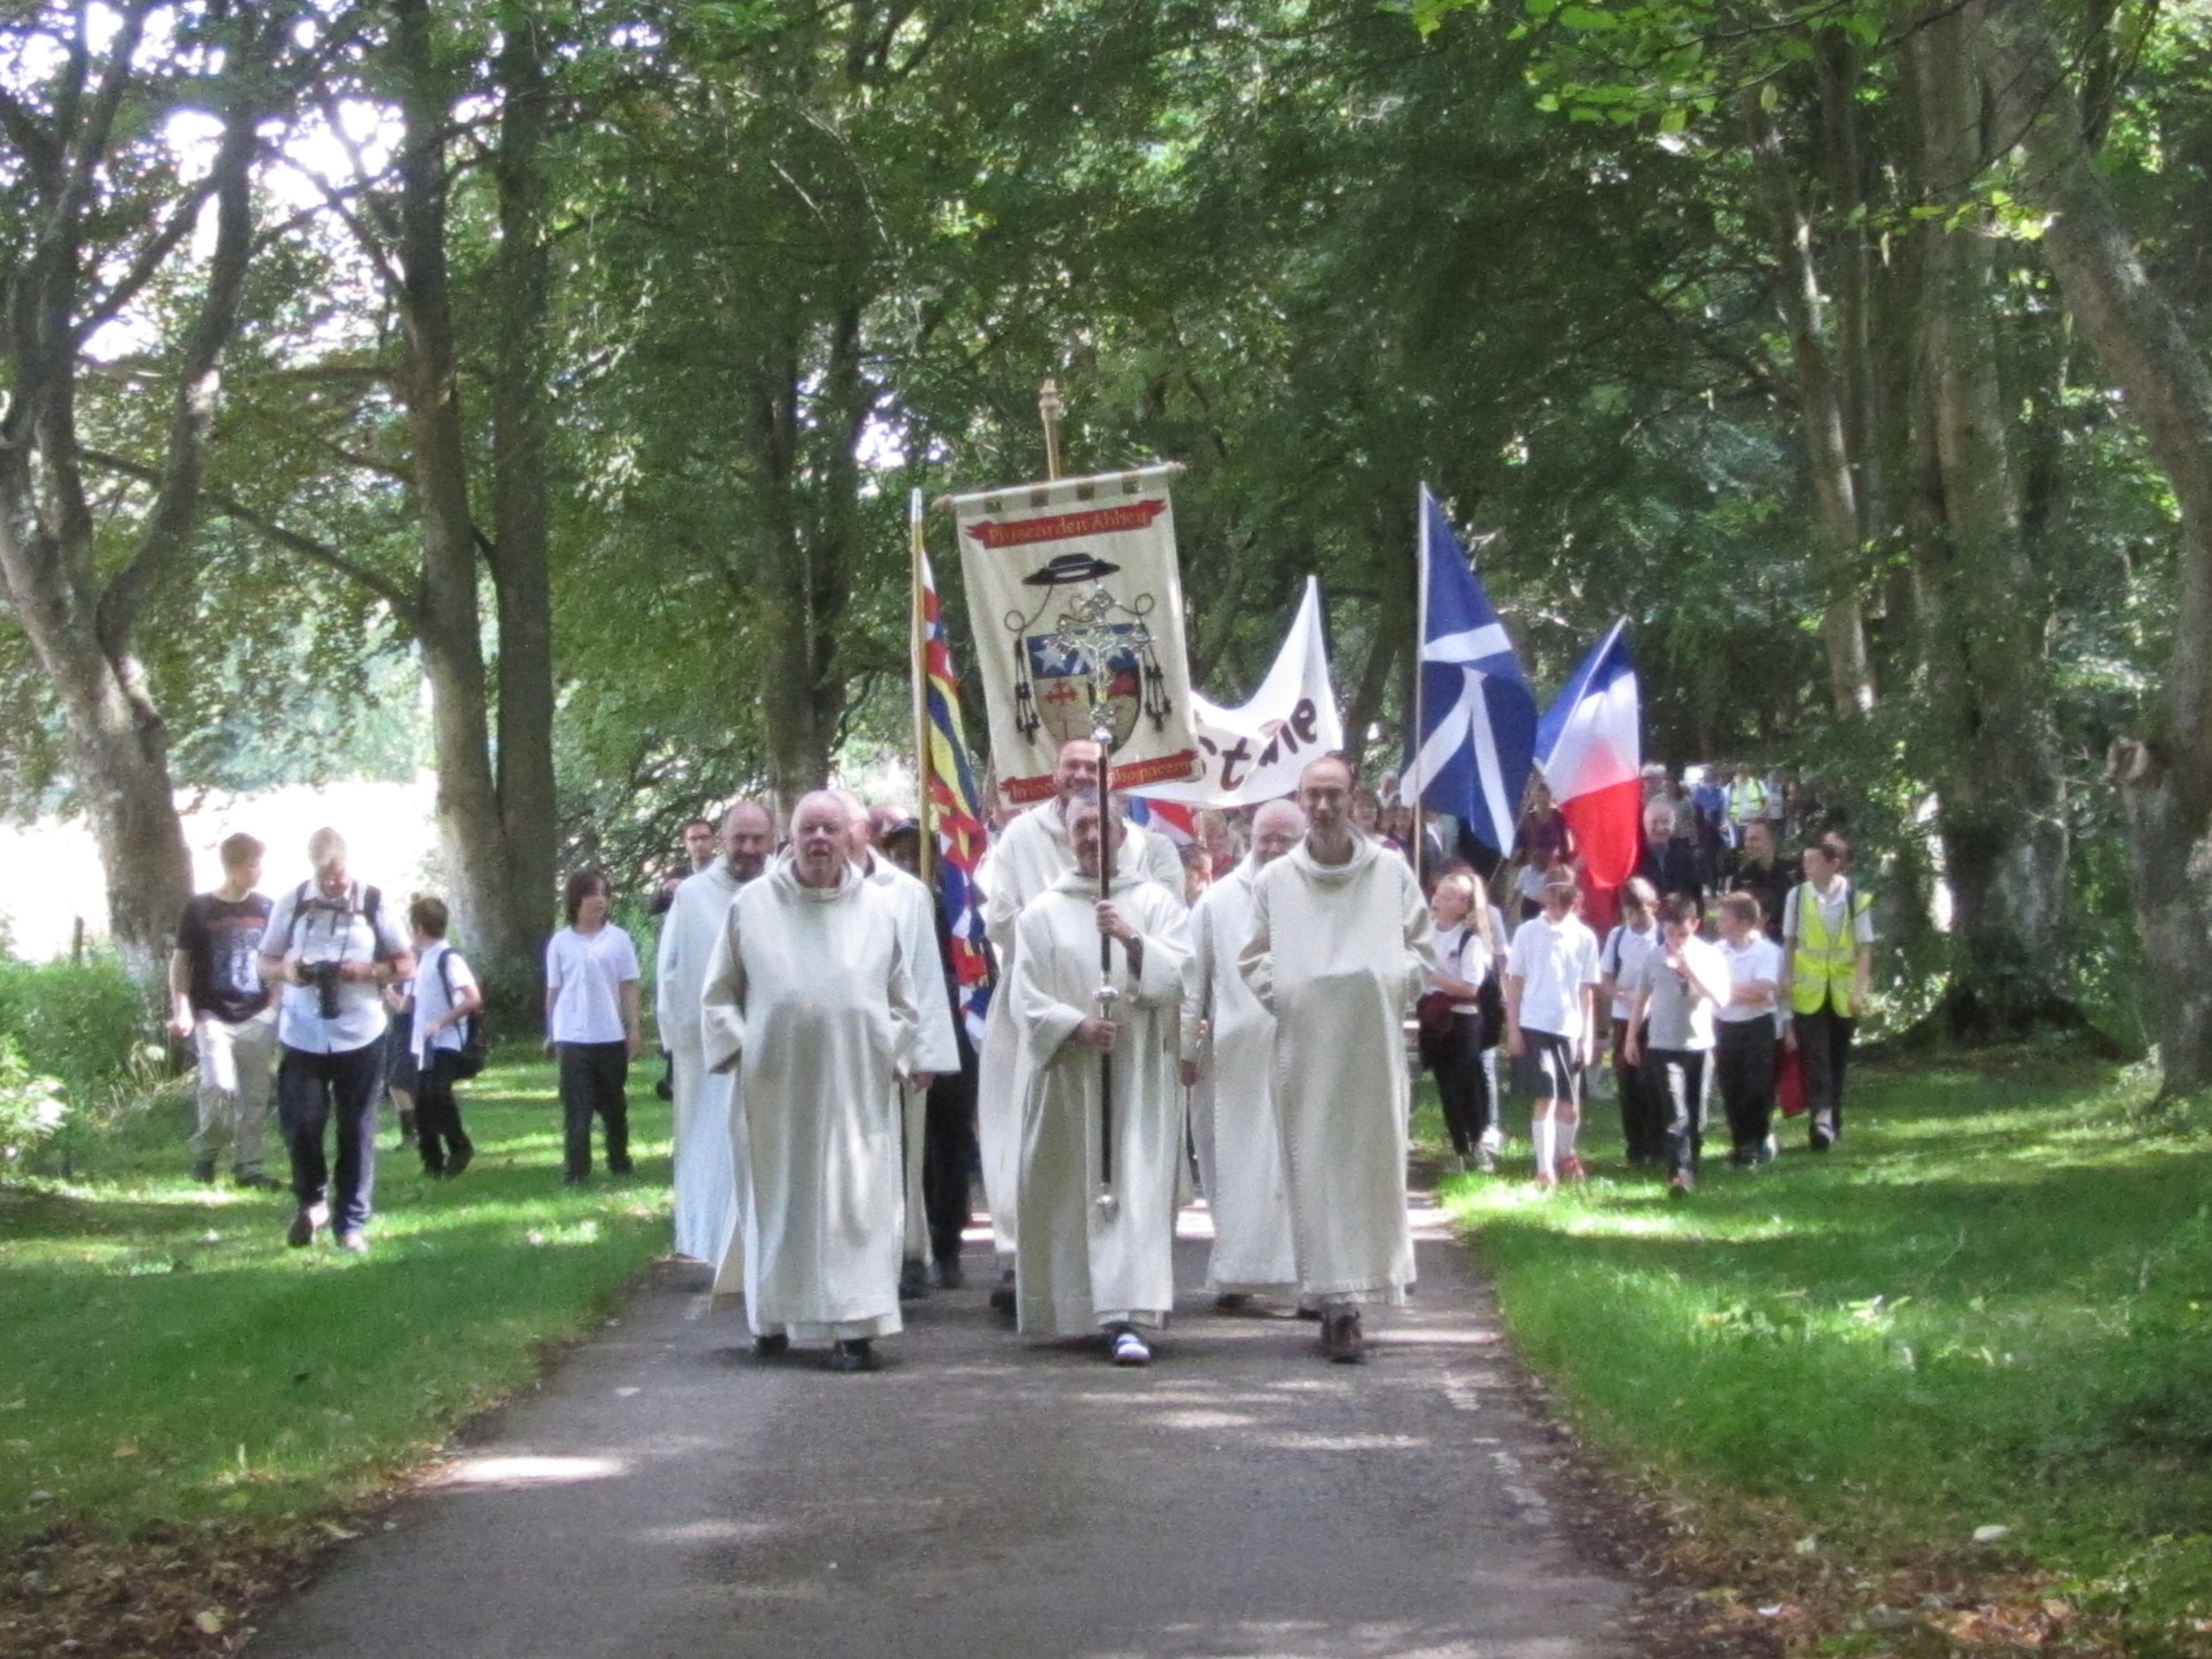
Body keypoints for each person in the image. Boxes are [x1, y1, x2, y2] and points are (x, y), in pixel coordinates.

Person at [700, 792, 925, 1372]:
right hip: (776, 1086)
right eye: (808, 829)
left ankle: (854, 1329)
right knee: (780, 1204)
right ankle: (772, 1319)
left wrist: (888, 1052)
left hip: (856, 1089)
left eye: (830, 827)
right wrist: (747, 1048)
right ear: (790, 838)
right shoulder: (752, 906)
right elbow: (718, 995)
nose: (819, 838)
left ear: (849, 836)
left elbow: (905, 1001)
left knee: (855, 1207)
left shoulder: (878, 909)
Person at [1240, 755, 1435, 1363]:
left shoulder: (1391, 871)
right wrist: (1297, 994)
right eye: (1312, 796)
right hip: (1307, 1050)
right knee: (1317, 1168)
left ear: (1354, 799)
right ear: (1299, 800)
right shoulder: (1275, 880)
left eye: (1334, 795)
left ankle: (1360, 1295)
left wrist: (1383, 984)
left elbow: (1420, 949)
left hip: (1371, 1051)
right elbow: (1254, 958)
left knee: (1368, 1168)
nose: (1322, 807)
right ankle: (1333, 1303)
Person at [976, 737, 1183, 1310]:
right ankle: (1041, 1272)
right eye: (1070, 767)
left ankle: (1132, 1300)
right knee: (1046, 1154)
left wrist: (1130, 941)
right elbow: (1004, 923)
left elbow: (1178, 950)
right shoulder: (1024, 848)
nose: (1079, 777)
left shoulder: (1151, 856)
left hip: (1135, 1049)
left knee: (1131, 1173)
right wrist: (1069, 1011)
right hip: (1050, 1027)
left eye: (1092, 769)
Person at [1012, 791, 1193, 1363]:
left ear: (1121, 833)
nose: (1091, 836)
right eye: (1080, 826)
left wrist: (1131, 938)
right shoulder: (1041, 911)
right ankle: (1073, 1306)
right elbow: (1026, 995)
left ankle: (1128, 1314)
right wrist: (1075, 1025)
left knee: (1131, 1188)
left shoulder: (1156, 901)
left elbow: (1182, 971)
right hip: (1070, 1075)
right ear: (1069, 836)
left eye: (1101, 825)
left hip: (1136, 1075)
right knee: (1074, 1192)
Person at [257, 828, 415, 1252]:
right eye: (325, 877)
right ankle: (311, 1202)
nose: (333, 884)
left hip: (361, 1033)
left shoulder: (374, 901)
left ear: (348, 864)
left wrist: (366, 971)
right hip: (303, 1031)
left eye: (339, 875)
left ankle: (351, 1224)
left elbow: (406, 963)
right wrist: (289, 971)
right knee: (301, 1123)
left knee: (356, 1128)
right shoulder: (291, 903)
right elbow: (264, 962)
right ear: (313, 869)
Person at [835, 791, 959, 1302]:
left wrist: (925, 1053)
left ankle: (911, 1252)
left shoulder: (907, 893)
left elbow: (925, 975)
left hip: (898, 1043)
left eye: (842, 827)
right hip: (838, 1044)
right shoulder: (808, 888)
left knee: (907, 1155)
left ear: (864, 831)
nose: (832, 838)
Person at [1182, 798, 1302, 1308]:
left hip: (1303, 1048)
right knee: (1234, 1165)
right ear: (1246, 839)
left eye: (1285, 839)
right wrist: (1188, 1045)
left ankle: (1300, 1276)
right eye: (1264, 838)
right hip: (1235, 1054)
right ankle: (1237, 1270)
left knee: (1293, 1164)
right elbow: (1194, 979)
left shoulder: (1316, 891)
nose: (1273, 847)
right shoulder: (1218, 901)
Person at [656, 802, 772, 1268]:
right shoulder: (692, 896)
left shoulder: (783, 890)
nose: (747, 849)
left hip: (772, 1043)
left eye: (757, 839)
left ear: (772, 839)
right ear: (722, 840)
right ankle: (712, 1243)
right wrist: (680, 1045)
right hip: (708, 1050)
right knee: (712, 1145)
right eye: (738, 839)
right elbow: (670, 975)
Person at [168, 833, 280, 1188]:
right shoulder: (200, 908)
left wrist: (274, 1007)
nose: (258, 872)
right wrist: (181, 1007)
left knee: (255, 1094)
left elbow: (278, 959)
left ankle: (249, 1167)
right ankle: (206, 1151)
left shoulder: (267, 908)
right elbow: (180, 961)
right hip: (211, 1013)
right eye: (252, 865)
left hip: (258, 1013)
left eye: (259, 864)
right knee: (219, 1085)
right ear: (233, 867)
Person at [1622, 895, 1728, 1195]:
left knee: (1697, 1116)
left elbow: (1721, 999)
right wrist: (1631, 1037)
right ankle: (1678, 1175)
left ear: (1695, 925)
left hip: (1699, 1045)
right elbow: (1641, 999)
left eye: (1682, 933)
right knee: (1675, 1112)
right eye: (1669, 934)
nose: (1675, 940)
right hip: (1663, 1045)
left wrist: (1690, 970)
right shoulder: (1654, 957)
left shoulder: (1709, 956)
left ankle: (1691, 1164)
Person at [545, 869, 643, 1187]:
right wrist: (551, 1032)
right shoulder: (560, 942)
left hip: (610, 1035)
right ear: (576, 900)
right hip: (572, 1036)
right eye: (592, 894)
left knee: (614, 1106)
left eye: (603, 894)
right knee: (577, 1108)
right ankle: (576, 1171)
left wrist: (634, 1029)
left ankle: (620, 1161)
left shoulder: (618, 939)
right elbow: (554, 990)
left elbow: (628, 986)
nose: (599, 901)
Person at [1503, 872, 1601, 1189]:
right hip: (1535, 1023)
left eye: (1566, 903)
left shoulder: (1585, 937)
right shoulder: (1528, 933)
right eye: (1553, 901)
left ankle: (1565, 1151)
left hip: (1569, 1026)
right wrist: (1514, 1028)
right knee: (1544, 1095)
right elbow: (1515, 982)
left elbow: (1587, 992)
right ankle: (1544, 1169)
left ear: (1576, 903)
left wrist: (1587, 1038)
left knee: (1569, 1105)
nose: (1558, 910)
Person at [1783, 833, 1874, 1152]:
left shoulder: (1855, 898)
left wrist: (1860, 991)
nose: (1806, 866)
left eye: (1813, 860)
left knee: (1837, 1058)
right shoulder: (1797, 896)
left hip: (1843, 990)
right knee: (1816, 1056)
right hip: (1808, 990)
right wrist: (1786, 982)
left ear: (1833, 864)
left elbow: (1864, 948)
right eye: (1805, 859)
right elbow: (1790, 943)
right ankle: (1819, 1123)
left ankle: (1833, 1119)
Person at [1420, 865, 1500, 1173]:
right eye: (1438, 892)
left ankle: (1480, 1141)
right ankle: (1459, 1148)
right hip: (1434, 1018)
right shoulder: (1425, 935)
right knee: (1445, 1085)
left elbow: (1470, 987)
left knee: (1467, 1081)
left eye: (1449, 896)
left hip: (1463, 1020)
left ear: (1463, 906)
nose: (1438, 899)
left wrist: (1432, 975)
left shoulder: (1471, 942)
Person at [407, 897, 481, 1179]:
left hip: (447, 1040)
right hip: (424, 1044)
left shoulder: (447, 958)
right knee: (423, 1102)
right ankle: (432, 1160)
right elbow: (416, 1003)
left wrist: (442, 1021)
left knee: (438, 1094)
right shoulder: (422, 960)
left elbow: (472, 998)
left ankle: (459, 1146)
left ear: (418, 928)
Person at [1598, 877, 1664, 1166]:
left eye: (1639, 912)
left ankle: (1658, 1142)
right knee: (1628, 1080)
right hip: (1625, 1016)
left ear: (1654, 907)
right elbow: (1606, 978)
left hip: (1656, 1017)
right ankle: (1636, 1145)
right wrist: (1619, 995)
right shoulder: (1618, 937)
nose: (1634, 919)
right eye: (1628, 913)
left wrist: (1651, 998)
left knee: (1654, 1080)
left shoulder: (1662, 937)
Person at [1713, 893, 1783, 1166]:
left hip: (1757, 1026)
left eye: (1725, 918)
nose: (1719, 924)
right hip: (1725, 1025)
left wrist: (1725, 989)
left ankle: (1759, 1137)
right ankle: (1741, 1143)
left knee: (1757, 1085)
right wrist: (1732, 991)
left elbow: (1762, 992)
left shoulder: (1767, 952)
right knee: (1731, 1085)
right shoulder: (1717, 951)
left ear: (1743, 923)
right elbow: (1709, 988)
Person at [1634, 797, 1704, 911]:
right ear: (1644, 824)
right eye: (1654, 822)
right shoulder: (1636, 856)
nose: (1661, 827)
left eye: (1666, 822)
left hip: (1679, 920)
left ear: (1673, 825)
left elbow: (1695, 894)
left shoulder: (1684, 854)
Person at [1730, 819, 1793, 945]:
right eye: (1746, 840)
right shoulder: (1742, 877)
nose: (1748, 844)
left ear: (1771, 841)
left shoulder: (1792, 873)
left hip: (1787, 944)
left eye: (1754, 839)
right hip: (1753, 947)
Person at [648, 817, 718, 919]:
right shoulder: (677, 874)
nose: (699, 844)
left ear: (714, 840)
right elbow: (652, 907)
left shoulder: (729, 870)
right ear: (685, 844)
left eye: (704, 837)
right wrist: (664, 890)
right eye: (693, 839)